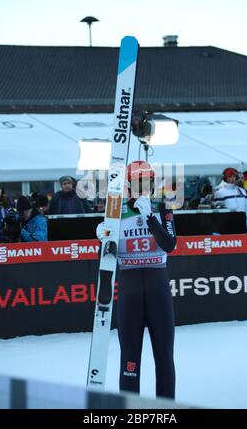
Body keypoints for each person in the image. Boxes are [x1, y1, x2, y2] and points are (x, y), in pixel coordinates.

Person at [96, 161, 177, 399]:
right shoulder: (116, 211)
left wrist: (150, 217)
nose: (144, 188)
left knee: (164, 356)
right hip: (130, 287)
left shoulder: (162, 208)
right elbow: (105, 257)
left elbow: (170, 245)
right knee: (129, 358)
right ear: (130, 185)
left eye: (148, 183)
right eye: (139, 183)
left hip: (157, 286)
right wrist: (101, 241)